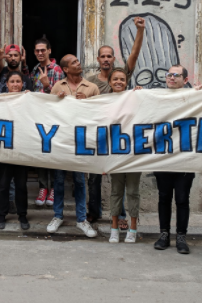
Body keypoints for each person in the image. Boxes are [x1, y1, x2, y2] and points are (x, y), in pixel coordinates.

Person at [86, 16, 146, 224]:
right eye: (102, 56)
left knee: (118, 178)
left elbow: (135, 54)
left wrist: (139, 30)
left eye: (109, 56)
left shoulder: (121, 75)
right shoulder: (90, 81)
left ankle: (120, 217)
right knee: (94, 175)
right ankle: (93, 212)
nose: (106, 59)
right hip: (99, 134)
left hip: (120, 135)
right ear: (98, 59)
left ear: (113, 59)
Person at [47, 54, 100, 238]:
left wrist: (86, 103)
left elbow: (99, 113)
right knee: (59, 180)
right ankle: (57, 216)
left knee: (79, 181)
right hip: (61, 141)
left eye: (78, 61)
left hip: (81, 141)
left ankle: (81, 219)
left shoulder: (92, 87)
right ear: (66, 69)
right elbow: (48, 113)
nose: (79, 64)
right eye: (74, 62)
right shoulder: (57, 87)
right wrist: (58, 101)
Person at [152, 65, 195, 254]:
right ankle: (164, 235)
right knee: (164, 197)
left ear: (185, 80)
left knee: (182, 199)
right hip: (164, 156)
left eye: (176, 75)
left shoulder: (195, 98)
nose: (171, 78)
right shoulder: (158, 98)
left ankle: (181, 237)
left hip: (185, 157)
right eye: (169, 75)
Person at [105, 68, 143, 244]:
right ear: (110, 82)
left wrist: (142, 96)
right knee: (116, 192)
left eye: (122, 79)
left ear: (126, 82)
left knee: (133, 192)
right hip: (115, 153)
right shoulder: (104, 101)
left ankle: (133, 228)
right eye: (115, 79)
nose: (119, 82)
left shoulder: (134, 98)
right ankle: (114, 229)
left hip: (134, 153)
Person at [30, 36, 65, 208]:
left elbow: (60, 96)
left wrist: (47, 86)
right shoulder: (35, 69)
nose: (40, 53)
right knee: (41, 154)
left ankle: (54, 190)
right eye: (37, 50)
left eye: (43, 50)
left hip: (54, 117)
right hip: (39, 117)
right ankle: (43, 187)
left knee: (54, 154)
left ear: (49, 51)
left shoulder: (57, 70)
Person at [0, 71, 31, 231]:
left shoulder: (29, 99)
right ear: (7, 84)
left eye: (18, 81)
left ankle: (22, 215)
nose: (16, 84)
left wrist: (32, 99)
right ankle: (1, 215)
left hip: (22, 149)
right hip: (4, 149)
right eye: (12, 81)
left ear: (22, 84)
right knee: (3, 184)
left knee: (21, 185)